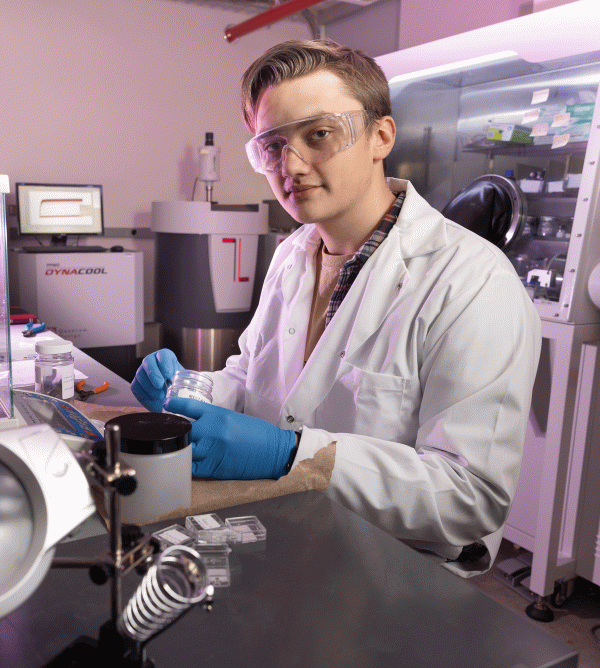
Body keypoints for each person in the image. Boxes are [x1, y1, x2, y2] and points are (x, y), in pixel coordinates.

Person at [132, 39, 541, 575]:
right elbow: (257, 378)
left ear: (380, 137)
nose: (292, 165)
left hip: (390, 570)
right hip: (285, 536)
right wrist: (193, 390)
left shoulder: (472, 281)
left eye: (319, 135)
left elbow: (470, 496)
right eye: (272, 146)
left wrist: (294, 455)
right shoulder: (292, 255)